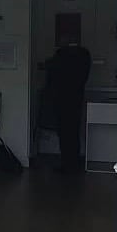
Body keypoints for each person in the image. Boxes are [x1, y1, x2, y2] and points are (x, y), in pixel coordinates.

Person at [44, 43, 91, 173]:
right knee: (73, 132)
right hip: (75, 100)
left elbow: (51, 77)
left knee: (64, 133)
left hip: (61, 100)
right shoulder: (83, 56)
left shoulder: (60, 56)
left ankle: (67, 163)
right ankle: (73, 162)